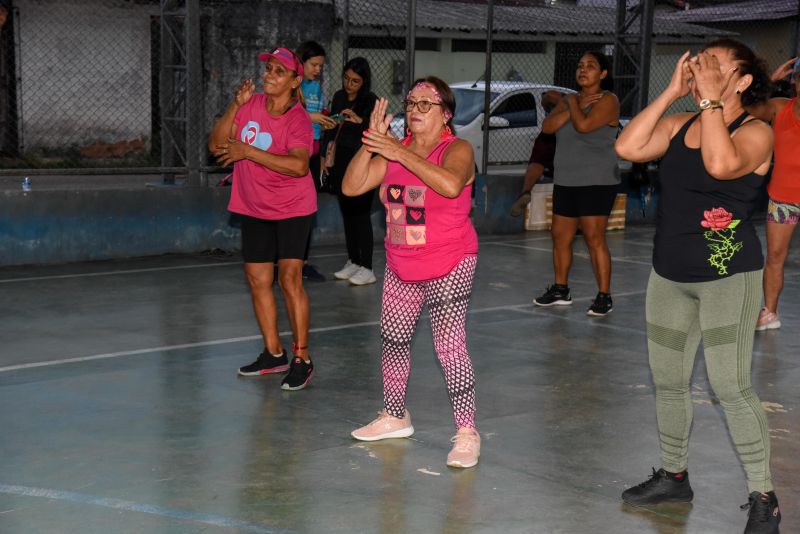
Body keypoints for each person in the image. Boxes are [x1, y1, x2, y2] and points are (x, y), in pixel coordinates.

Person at [615, 39, 781, 533]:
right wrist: (671, 93)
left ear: (743, 81)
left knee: (731, 387)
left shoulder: (757, 132)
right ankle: (674, 476)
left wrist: (709, 101)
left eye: (715, 65)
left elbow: (720, 164)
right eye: (699, 63)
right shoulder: (679, 125)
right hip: (669, 275)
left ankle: (764, 498)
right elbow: (627, 147)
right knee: (668, 381)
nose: (702, 69)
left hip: (728, 276)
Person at [345, 77, 481, 469]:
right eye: (410, 103)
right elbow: (352, 186)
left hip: (450, 261)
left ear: (446, 114)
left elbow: (450, 184)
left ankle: (467, 432)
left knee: (449, 346)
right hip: (402, 262)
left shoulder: (457, 149)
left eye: (426, 104)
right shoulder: (395, 151)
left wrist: (397, 152)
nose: (415, 110)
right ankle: (394, 415)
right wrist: (372, 141)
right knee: (394, 340)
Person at [208, 47, 316, 391]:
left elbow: (299, 165)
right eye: (268, 69)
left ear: (295, 81)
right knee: (258, 279)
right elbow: (216, 146)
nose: (270, 75)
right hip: (254, 206)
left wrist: (249, 151)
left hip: (293, 208)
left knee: (289, 279)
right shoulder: (250, 105)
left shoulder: (297, 119)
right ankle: (273, 353)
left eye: (279, 71)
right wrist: (235, 106)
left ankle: (302, 358)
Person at [533, 51, 620, 316]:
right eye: (580, 65)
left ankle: (604, 296)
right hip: (566, 180)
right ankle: (561, 289)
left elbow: (584, 126)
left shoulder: (608, 100)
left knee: (594, 237)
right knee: (560, 236)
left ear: (602, 74)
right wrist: (574, 104)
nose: (583, 70)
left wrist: (572, 105)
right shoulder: (572, 100)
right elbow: (548, 127)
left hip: (597, 180)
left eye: (591, 66)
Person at [747, 57, 800, 331]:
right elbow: (746, 109)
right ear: (796, 83)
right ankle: (770, 313)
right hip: (784, 197)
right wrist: (768, 83)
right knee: (776, 255)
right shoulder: (780, 108)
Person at [323, 57, 379, 285]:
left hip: (362, 162)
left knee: (361, 214)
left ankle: (367, 267)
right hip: (340, 160)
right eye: (346, 78)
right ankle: (354, 260)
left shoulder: (371, 100)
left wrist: (359, 121)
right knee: (347, 213)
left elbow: (376, 132)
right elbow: (330, 128)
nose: (349, 84)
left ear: (364, 82)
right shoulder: (339, 97)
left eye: (355, 81)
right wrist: (325, 156)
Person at [296, 40, 334, 283]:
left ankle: (303, 262)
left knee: (308, 209)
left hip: (313, 151)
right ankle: (284, 262)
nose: (318, 69)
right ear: (301, 62)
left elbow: (318, 126)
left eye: (321, 66)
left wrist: (320, 157)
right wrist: (311, 117)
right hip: (295, 152)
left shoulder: (316, 88)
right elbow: (284, 112)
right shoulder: (293, 85)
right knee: (291, 209)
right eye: (314, 65)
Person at [509, 90, 562, 217]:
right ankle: (525, 192)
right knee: (540, 158)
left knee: (538, 160)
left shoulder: (571, 100)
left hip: (559, 133)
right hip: (560, 137)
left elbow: (551, 96)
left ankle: (526, 191)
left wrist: (559, 104)